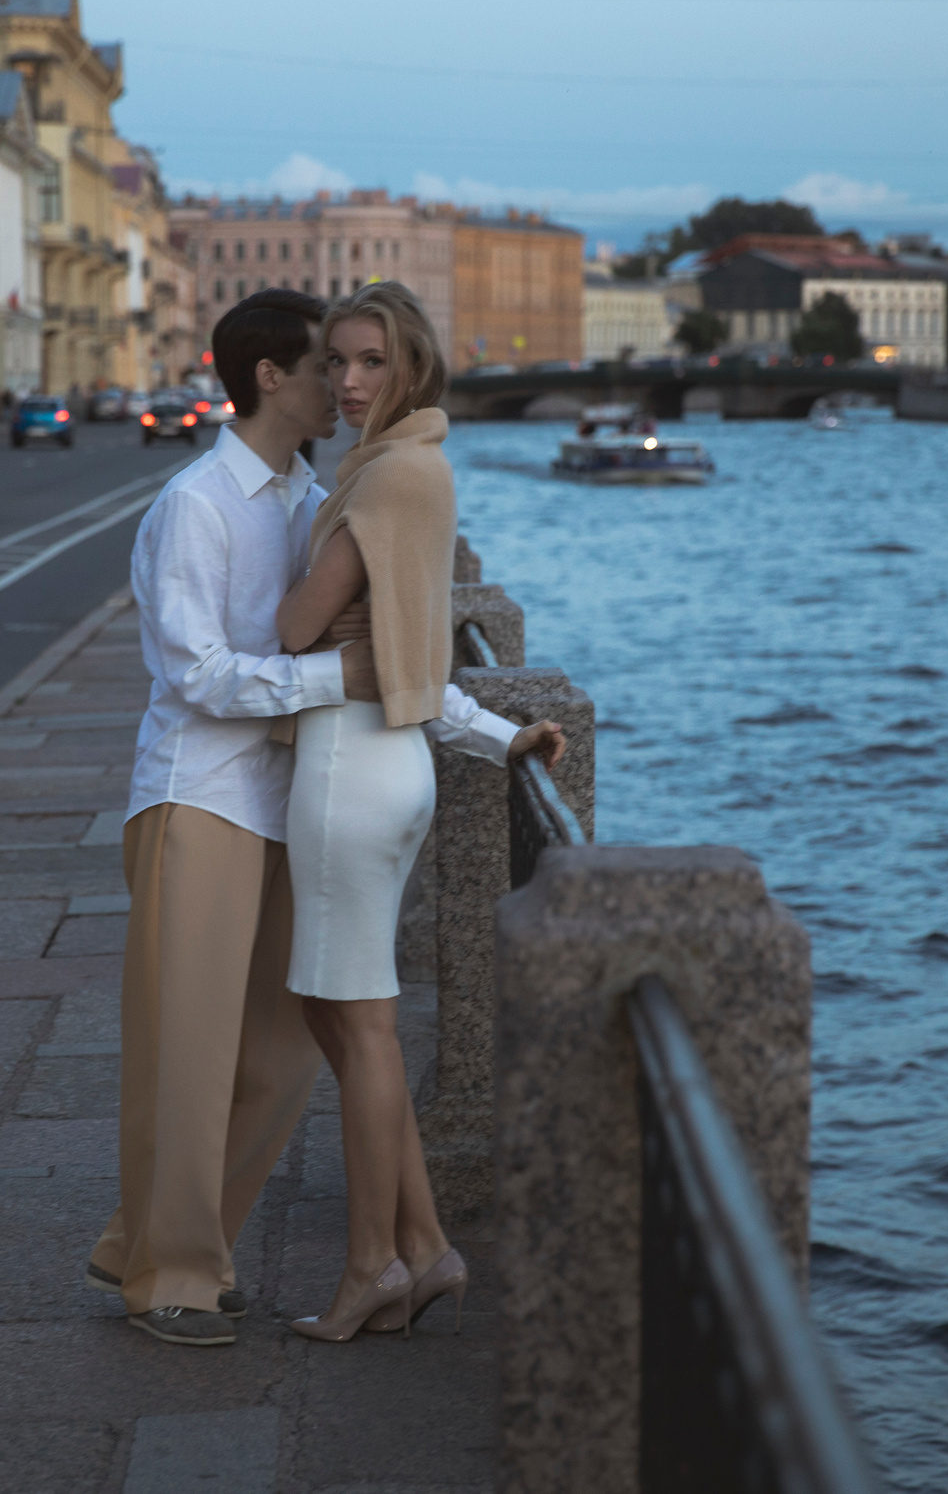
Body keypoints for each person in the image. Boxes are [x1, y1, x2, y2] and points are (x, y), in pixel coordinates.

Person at [273, 281, 568, 1343]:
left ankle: (370, 1269)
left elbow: (297, 627)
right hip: (392, 762)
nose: (348, 383)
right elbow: (419, 644)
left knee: (361, 1031)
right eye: (337, 361)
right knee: (343, 1021)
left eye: (371, 364)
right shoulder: (414, 466)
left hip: (351, 771)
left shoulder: (383, 478)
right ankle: (426, 1245)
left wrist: (306, 585)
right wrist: (502, 735)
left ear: (413, 372)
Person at [85, 288, 361, 1348]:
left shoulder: (305, 496)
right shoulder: (196, 504)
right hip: (196, 798)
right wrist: (336, 682)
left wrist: (487, 731)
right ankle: (174, 1277)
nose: (342, 385)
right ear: (268, 379)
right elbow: (197, 675)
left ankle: (142, 1241)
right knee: (186, 1054)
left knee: (282, 1053)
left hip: (281, 802)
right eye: (324, 366)